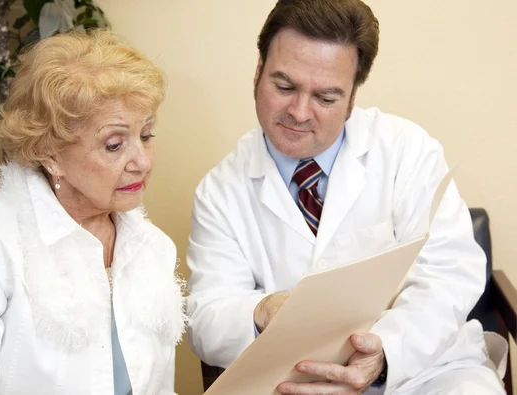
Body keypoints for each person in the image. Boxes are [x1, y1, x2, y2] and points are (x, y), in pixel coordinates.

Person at [186, 1, 506, 394]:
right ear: (258, 72)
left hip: (423, 370)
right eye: (284, 86)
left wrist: (384, 353)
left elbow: (450, 272)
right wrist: (262, 310)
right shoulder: (220, 190)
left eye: (326, 98)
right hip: (290, 382)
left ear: (353, 97)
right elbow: (206, 318)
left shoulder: (407, 150)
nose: (299, 113)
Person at [0, 30, 186, 395]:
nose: (141, 161)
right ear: (50, 154)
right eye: (114, 144)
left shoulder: (153, 247)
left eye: (147, 135)